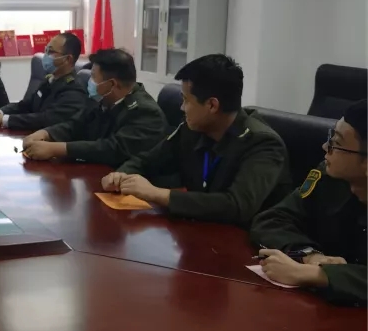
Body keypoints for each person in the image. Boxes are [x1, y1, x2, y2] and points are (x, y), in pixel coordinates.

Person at [101, 54, 292, 227]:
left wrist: (158, 194)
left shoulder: (262, 144)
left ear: (212, 105)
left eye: (186, 100)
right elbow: (146, 161)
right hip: (201, 230)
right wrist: (121, 176)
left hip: (249, 242)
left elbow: (236, 206)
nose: (182, 108)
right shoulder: (192, 129)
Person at [250, 100, 366, 306]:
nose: (325, 147)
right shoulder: (329, 177)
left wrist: (314, 274)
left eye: (337, 144)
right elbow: (274, 219)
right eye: (330, 138)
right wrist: (310, 256)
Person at [22, 48, 167, 166]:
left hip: (127, 182)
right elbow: (76, 124)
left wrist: (57, 149)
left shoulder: (146, 112)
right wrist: (45, 133)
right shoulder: (102, 99)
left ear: (112, 84)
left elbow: (112, 148)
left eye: (93, 77)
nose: (89, 81)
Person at [0, 32, 88, 131]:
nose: (46, 55)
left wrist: (4, 119)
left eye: (51, 52)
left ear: (68, 59)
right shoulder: (49, 80)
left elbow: (47, 119)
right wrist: (0, 112)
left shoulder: (74, 90)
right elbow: (26, 105)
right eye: (46, 50)